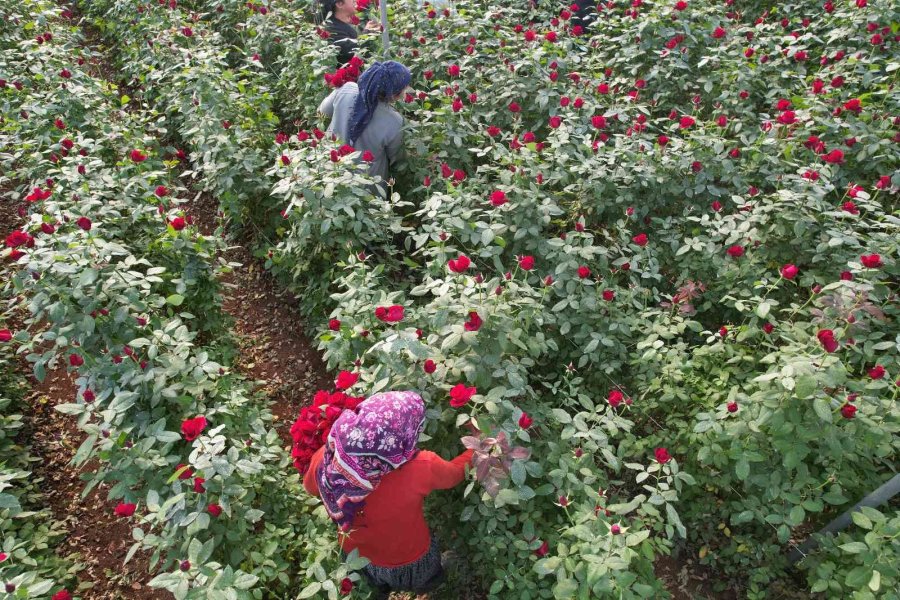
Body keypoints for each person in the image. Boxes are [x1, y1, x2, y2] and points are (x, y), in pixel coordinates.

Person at [303, 391, 473, 599]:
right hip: (411, 554)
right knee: (428, 579)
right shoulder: (422, 466)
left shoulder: (329, 457)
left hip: (358, 555)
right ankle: (431, 589)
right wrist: (476, 447)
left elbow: (311, 487)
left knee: (372, 588)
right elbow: (455, 474)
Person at [317, 60, 410, 184]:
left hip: (332, 170)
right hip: (367, 183)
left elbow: (322, 111)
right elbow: (397, 159)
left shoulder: (346, 89)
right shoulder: (395, 121)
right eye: (403, 89)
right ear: (393, 95)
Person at [319, 0, 379, 67]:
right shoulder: (331, 29)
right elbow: (352, 52)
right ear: (340, 4)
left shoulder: (340, 24)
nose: (355, 1)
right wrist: (367, 33)